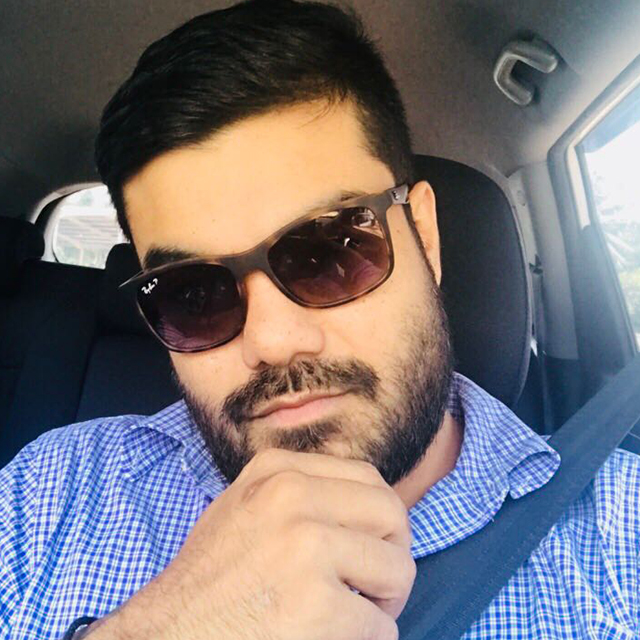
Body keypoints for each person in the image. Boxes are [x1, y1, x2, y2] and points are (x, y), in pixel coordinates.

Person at [1, 1, 639, 638]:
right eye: (193, 294)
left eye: (329, 251)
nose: (273, 341)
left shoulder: (618, 540)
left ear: (424, 236)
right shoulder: (52, 495)